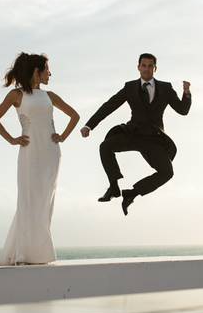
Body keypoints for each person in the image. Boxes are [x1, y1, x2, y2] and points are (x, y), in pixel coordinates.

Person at [0, 53, 79, 265]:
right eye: (47, 69)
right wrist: (12, 139)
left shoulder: (51, 96)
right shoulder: (16, 95)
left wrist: (62, 137)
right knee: (28, 201)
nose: (51, 73)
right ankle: (22, 253)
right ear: (36, 71)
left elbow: (74, 116)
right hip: (29, 153)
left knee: (44, 202)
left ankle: (39, 254)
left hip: (50, 153)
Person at [80, 53, 191, 215]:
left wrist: (186, 93)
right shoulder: (130, 87)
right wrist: (89, 125)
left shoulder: (166, 88)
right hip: (133, 133)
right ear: (138, 67)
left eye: (150, 66)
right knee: (105, 147)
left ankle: (131, 193)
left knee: (167, 173)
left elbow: (183, 110)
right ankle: (113, 187)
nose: (146, 69)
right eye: (143, 65)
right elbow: (110, 105)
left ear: (155, 68)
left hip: (153, 139)